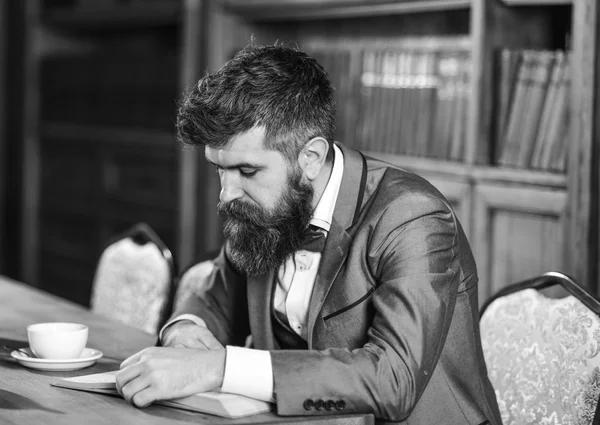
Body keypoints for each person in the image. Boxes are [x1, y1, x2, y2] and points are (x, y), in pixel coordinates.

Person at [115, 43, 502, 425]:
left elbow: (393, 380)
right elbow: (215, 298)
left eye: (247, 172)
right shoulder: (255, 207)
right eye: (220, 169)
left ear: (310, 158)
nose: (226, 194)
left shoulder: (413, 216)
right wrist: (186, 330)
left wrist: (220, 368)